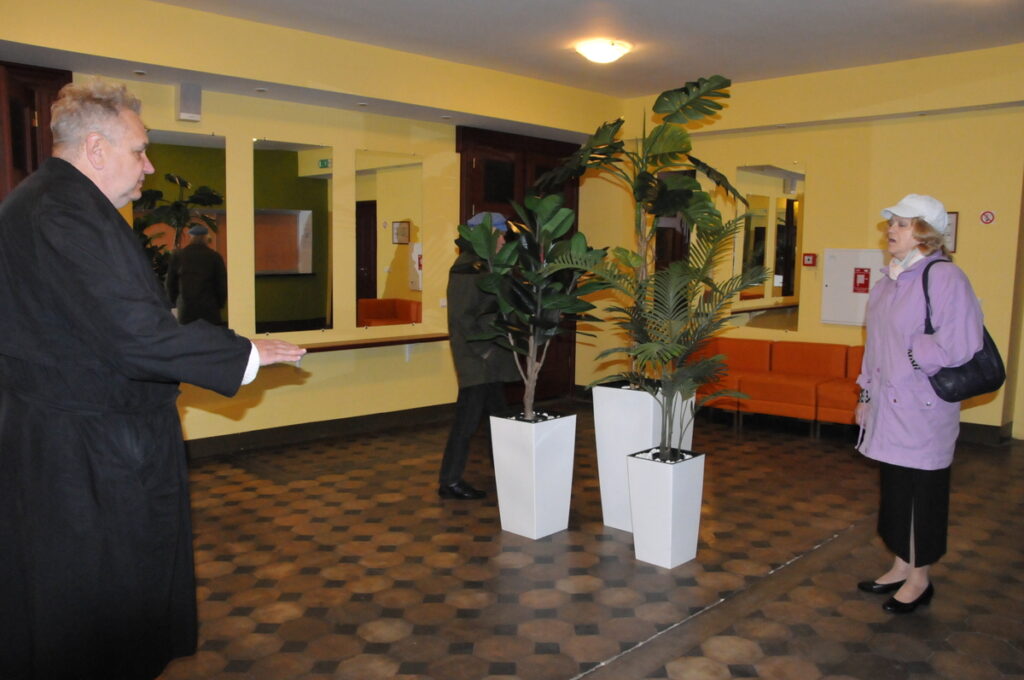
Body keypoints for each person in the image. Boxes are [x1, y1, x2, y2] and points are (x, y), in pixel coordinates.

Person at [0, 79, 306, 680]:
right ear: (95, 149)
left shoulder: (39, 203)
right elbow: (135, 335)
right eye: (139, 150)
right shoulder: (65, 213)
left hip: (63, 434)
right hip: (90, 450)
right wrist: (245, 353)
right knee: (102, 594)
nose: (149, 166)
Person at [854, 193, 984, 614]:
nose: (891, 229)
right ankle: (900, 565)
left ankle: (920, 578)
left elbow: (962, 342)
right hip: (888, 408)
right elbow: (874, 347)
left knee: (922, 495)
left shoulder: (945, 278)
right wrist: (866, 393)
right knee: (896, 492)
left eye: (902, 223)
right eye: (891, 222)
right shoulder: (888, 281)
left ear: (925, 232)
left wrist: (913, 354)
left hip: (923, 410)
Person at [438, 212, 520, 499]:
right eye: (500, 234)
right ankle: (450, 481)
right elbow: (462, 317)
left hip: (490, 357)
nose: (504, 240)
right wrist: (484, 351)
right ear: (486, 234)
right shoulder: (467, 268)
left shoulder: (488, 263)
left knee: (499, 417)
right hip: (477, 358)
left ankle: (506, 471)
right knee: (467, 421)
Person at [166, 223, 228, 325]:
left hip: (186, 308)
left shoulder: (179, 256)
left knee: (188, 333)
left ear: (191, 237)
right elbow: (222, 284)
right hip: (209, 308)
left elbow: (170, 284)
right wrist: (219, 304)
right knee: (210, 333)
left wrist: (175, 302)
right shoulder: (214, 257)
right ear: (206, 238)